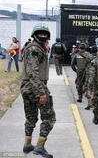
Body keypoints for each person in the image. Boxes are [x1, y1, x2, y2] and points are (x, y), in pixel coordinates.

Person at [20, 23, 56, 158]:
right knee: (49, 117)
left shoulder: (36, 48)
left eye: (45, 34)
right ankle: (40, 147)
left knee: (31, 117)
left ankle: (27, 144)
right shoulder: (35, 49)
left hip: (28, 87)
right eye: (40, 33)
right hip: (36, 87)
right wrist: (41, 92)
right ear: (35, 34)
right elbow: (33, 72)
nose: (43, 35)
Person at [84, 45, 98, 110]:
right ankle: (94, 101)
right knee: (95, 88)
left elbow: (85, 63)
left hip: (89, 74)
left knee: (88, 87)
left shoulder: (89, 56)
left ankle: (89, 102)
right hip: (97, 75)